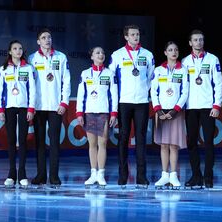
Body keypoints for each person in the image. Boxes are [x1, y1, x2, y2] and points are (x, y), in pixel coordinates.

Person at [109, 24, 155, 188]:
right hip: (124, 102)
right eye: (133, 34)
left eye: (138, 34)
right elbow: (111, 78)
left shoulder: (147, 55)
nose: (136, 37)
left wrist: (144, 91)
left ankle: (142, 177)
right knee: (123, 138)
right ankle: (123, 175)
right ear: (126, 37)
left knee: (141, 139)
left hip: (142, 102)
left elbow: (151, 77)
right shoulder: (118, 55)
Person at [28, 28, 71, 188]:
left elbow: (66, 81)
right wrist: (31, 107)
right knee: (39, 142)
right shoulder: (32, 58)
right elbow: (30, 85)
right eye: (44, 37)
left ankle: (54, 175)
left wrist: (64, 102)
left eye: (49, 37)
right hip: (38, 107)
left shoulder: (61, 57)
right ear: (38, 41)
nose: (47, 40)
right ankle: (41, 175)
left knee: (54, 142)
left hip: (55, 107)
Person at [181, 29, 222, 189]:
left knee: (209, 143)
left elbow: (218, 83)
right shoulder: (185, 62)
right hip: (190, 107)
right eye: (196, 40)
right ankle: (196, 176)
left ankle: (208, 177)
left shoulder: (212, 59)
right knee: (191, 142)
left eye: (201, 40)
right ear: (190, 43)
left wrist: (217, 105)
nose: (199, 42)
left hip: (208, 107)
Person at [76, 46, 118, 188]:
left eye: (103, 52)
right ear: (92, 56)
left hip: (103, 113)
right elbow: (81, 94)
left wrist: (113, 113)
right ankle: (93, 173)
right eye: (97, 53)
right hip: (89, 112)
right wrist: (79, 113)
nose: (101, 55)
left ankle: (101, 174)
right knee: (92, 144)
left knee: (102, 144)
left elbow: (114, 95)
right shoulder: (85, 74)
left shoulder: (110, 73)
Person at [0, 40, 36, 189]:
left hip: (24, 107)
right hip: (9, 108)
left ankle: (23, 174)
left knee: (23, 141)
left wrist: (31, 108)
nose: (18, 51)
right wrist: (0, 109)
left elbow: (32, 89)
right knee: (11, 140)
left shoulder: (29, 68)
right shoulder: (3, 69)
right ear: (10, 52)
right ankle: (12, 173)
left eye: (20, 48)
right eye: (15, 48)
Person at [150, 41, 189, 190]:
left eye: (176, 49)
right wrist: (158, 110)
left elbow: (185, 91)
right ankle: (164, 175)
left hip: (176, 112)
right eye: (170, 50)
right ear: (165, 52)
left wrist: (175, 110)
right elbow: (153, 91)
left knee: (174, 145)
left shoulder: (183, 70)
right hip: (161, 112)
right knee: (164, 145)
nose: (174, 52)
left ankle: (174, 175)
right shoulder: (158, 70)